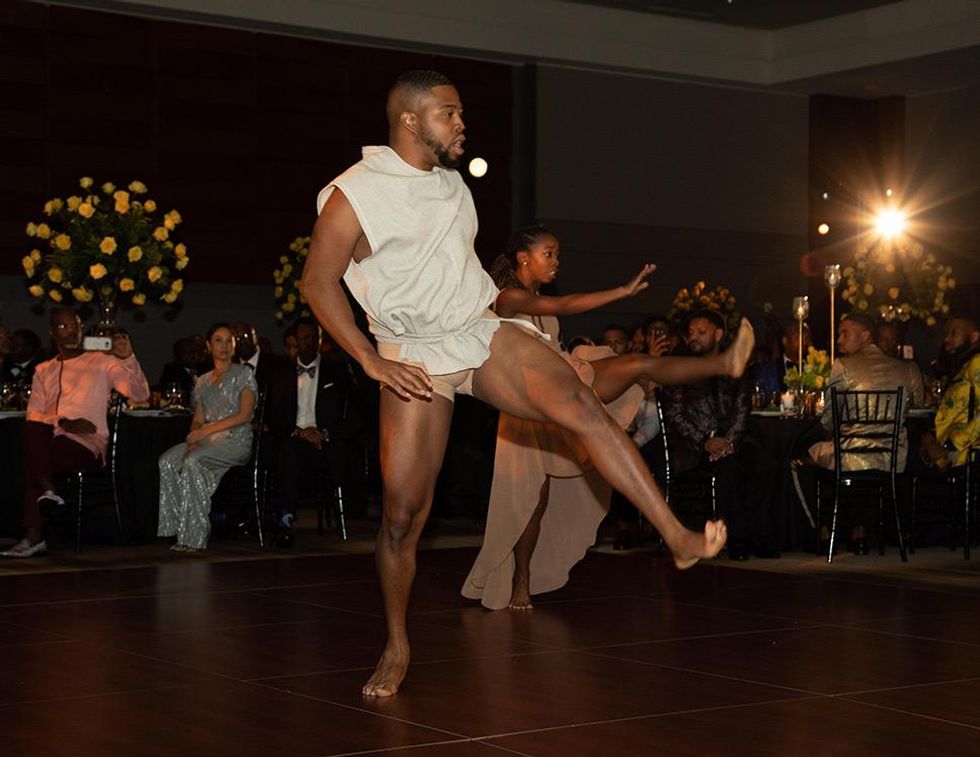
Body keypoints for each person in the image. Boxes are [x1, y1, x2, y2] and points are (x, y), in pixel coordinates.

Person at [301, 70, 731, 698]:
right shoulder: (353, 194)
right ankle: (396, 642)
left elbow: (460, 272)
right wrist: (370, 359)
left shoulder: (451, 184)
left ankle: (677, 536)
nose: (462, 124)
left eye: (462, 113)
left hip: (478, 331)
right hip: (413, 353)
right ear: (411, 121)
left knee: (582, 404)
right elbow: (317, 283)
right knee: (401, 517)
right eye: (450, 114)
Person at [462, 225, 755, 609]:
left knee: (636, 362)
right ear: (523, 257)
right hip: (526, 407)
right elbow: (564, 305)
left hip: (562, 385)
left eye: (557, 254)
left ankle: (722, 363)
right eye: (549, 253)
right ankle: (521, 579)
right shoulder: (508, 298)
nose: (557, 261)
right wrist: (622, 292)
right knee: (532, 502)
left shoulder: (533, 300)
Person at [2, 308, 149, 558]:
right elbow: (34, 413)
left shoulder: (102, 361)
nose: (70, 331)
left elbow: (139, 395)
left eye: (75, 325)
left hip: (84, 443)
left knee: (33, 460)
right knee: (31, 430)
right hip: (47, 438)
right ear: (52, 333)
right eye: (63, 326)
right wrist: (63, 421)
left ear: (81, 329)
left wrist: (127, 358)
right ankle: (48, 493)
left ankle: (34, 532)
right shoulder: (43, 370)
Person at [664, 310, 780, 561]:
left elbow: (742, 409)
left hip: (732, 442)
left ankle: (759, 535)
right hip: (694, 447)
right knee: (728, 470)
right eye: (691, 333)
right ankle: (737, 539)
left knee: (767, 464)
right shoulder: (680, 367)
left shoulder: (734, 367)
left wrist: (728, 442)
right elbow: (674, 414)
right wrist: (705, 440)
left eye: (701, 332)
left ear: (718, 335)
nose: (694, 337)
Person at [807, 311, 925, 553]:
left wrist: (833, 431)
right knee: (849, 463)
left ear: (865, 336)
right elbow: (912, 409)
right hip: (891, 458)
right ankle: (859, 532)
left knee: (803, 460)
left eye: (844, 333)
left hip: (851, 455)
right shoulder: (906, 369)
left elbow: (829, 419)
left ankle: (822, 532)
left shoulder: (843, 366)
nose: (838, 340)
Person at [266, 317, 365, 547]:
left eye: (313, 338)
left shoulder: (337, 372)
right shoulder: (282, 374)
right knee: (287, 451)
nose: (309, 343)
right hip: (295, 438)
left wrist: (325, 433)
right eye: (304, 338)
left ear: (320, 340)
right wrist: (299, 432)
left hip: (327, 442)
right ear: (295, 342)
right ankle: (286, 517)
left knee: (343, 453)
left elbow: (356, 415)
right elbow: (274, 416)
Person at [157, 323, 257, 551]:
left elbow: (244, 415)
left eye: (228, 341)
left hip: (235, 441)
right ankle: (176, 528)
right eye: (218, 341)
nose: (223, 346)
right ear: (209, 346)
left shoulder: (244, 374)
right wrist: (194, 436)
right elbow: (198, 419)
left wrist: (204, 434)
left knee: (193, 462)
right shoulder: (202, 381)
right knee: (168, 461)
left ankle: (194, 535)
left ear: (234, 346)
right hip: (208, 439)